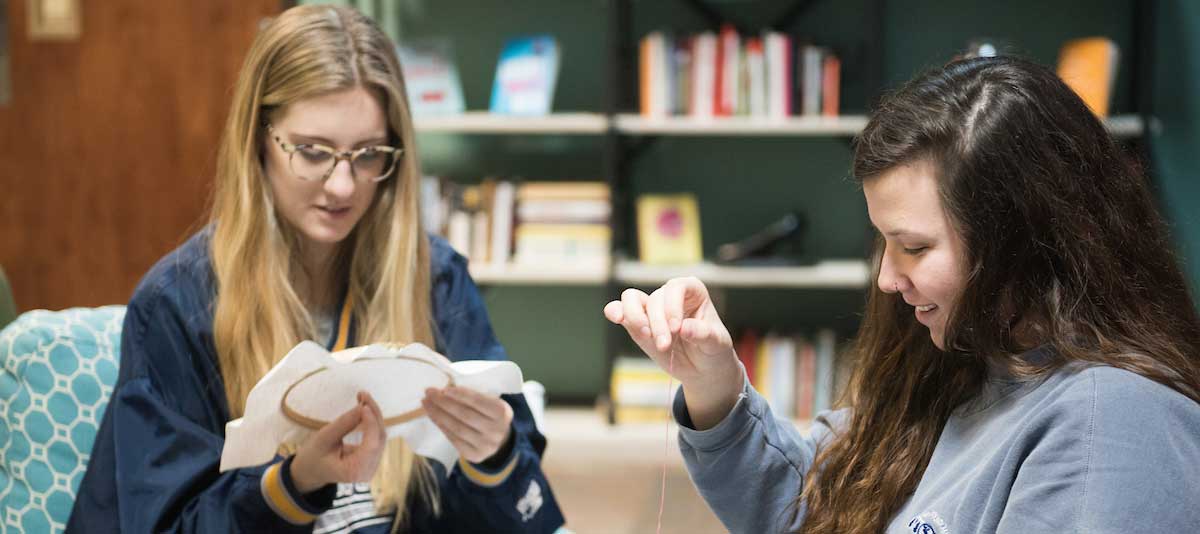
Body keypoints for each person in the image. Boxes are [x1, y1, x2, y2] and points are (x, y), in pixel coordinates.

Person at [605, 55, 1200, 533]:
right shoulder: (962, 359)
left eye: (914, 247)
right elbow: (820, 506)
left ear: (1022, 238)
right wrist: (714, 384)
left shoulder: (1115, 426)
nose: (888, 278)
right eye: (883, 243)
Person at [67, 5, 564, 533]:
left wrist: (494, 456)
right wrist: (292, 486)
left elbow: (522, 506)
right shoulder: (179, 305)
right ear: (258, 139)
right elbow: (167, 523)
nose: (344, 187)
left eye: (369, 154)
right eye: (312, 152)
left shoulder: (434, 277)